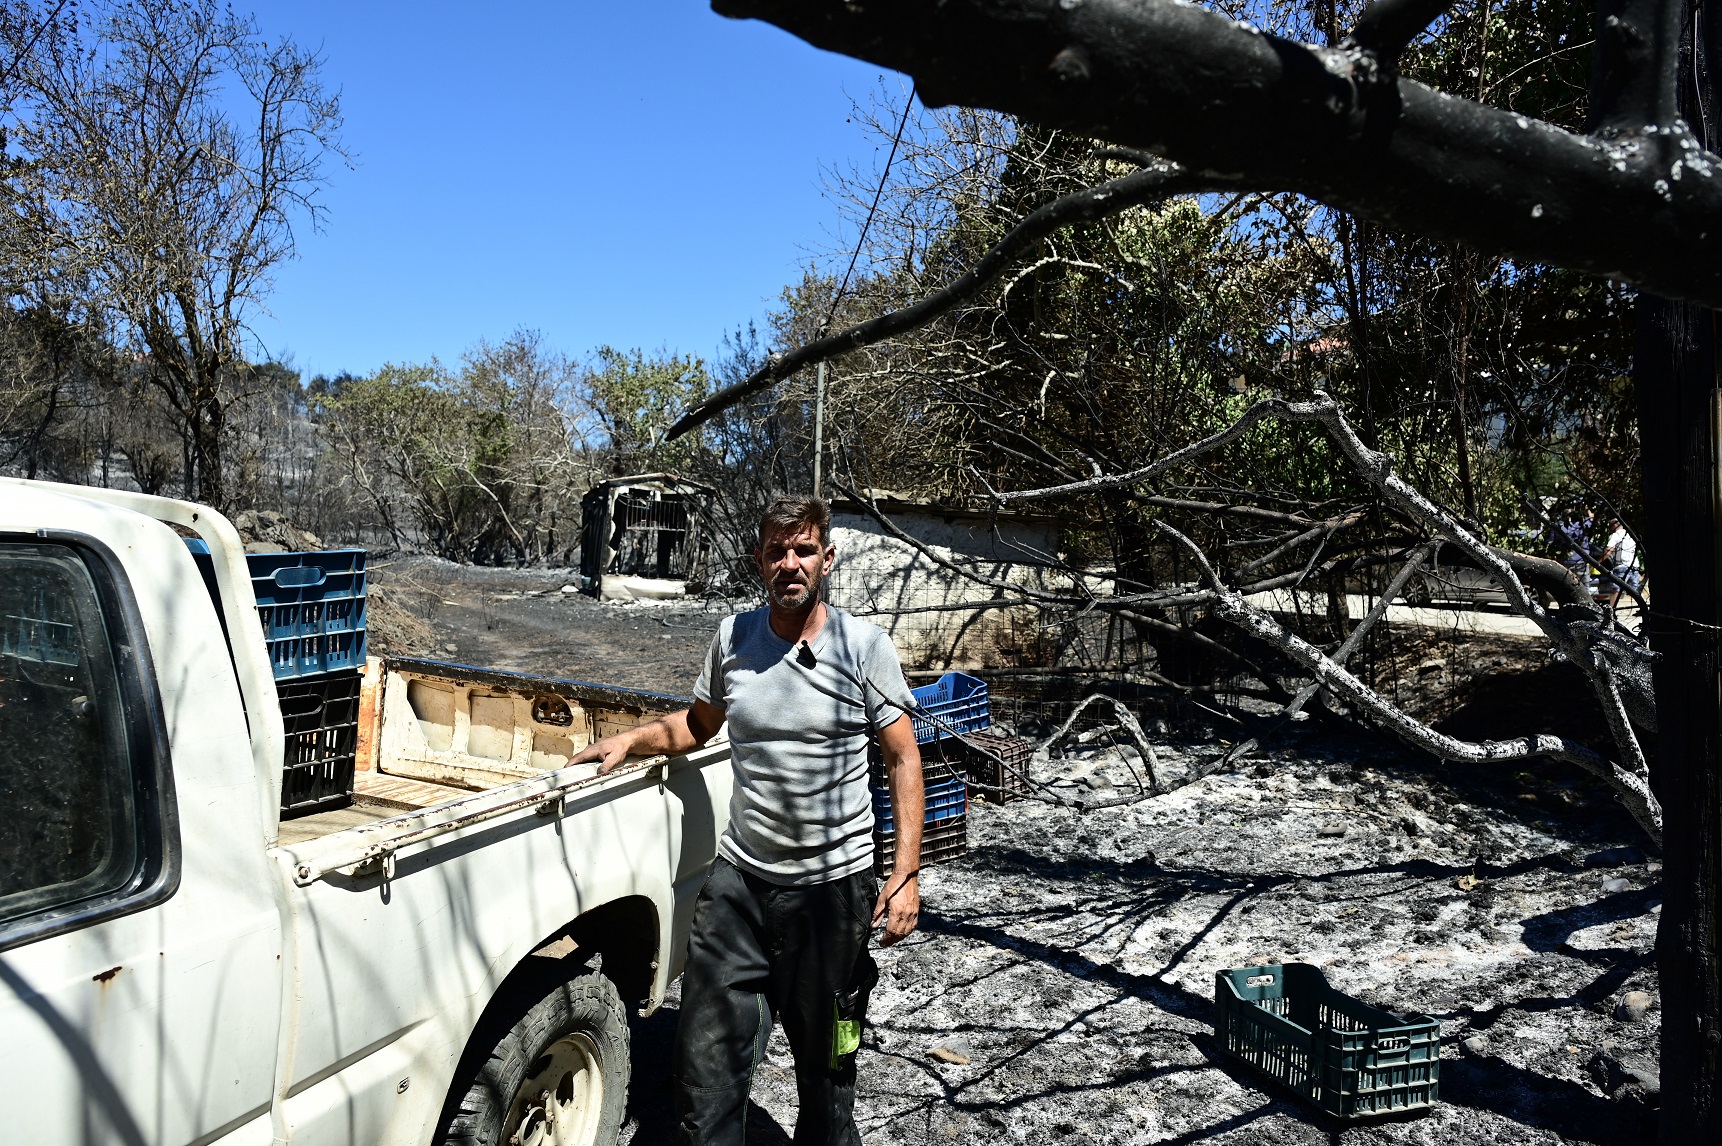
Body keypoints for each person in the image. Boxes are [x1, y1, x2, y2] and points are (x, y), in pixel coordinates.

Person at [571, 493, 924, 1146]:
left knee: (828, 1077)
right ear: (759, 559)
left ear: (827, 558)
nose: (790, 563)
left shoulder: (865, 647)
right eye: (777, 550)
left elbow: (903, 758)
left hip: (833, 891)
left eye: (804, 549)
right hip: (740, 886)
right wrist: (633, 741)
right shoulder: (733, 639)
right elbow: (698, 725)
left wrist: (904, 874)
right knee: (705, 1077)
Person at [1601, 517, 1642, 613]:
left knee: (1616, 589)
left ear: (1615, 525)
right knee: (1635, 590)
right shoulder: (1630, 535)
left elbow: (1609, 550)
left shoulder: (1615, 535)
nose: (1609, 528)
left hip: (1621, 566)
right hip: (1634, 565)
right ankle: (1642, 609)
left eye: (1610, 526)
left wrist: (1599, 561)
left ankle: (1611, 612)